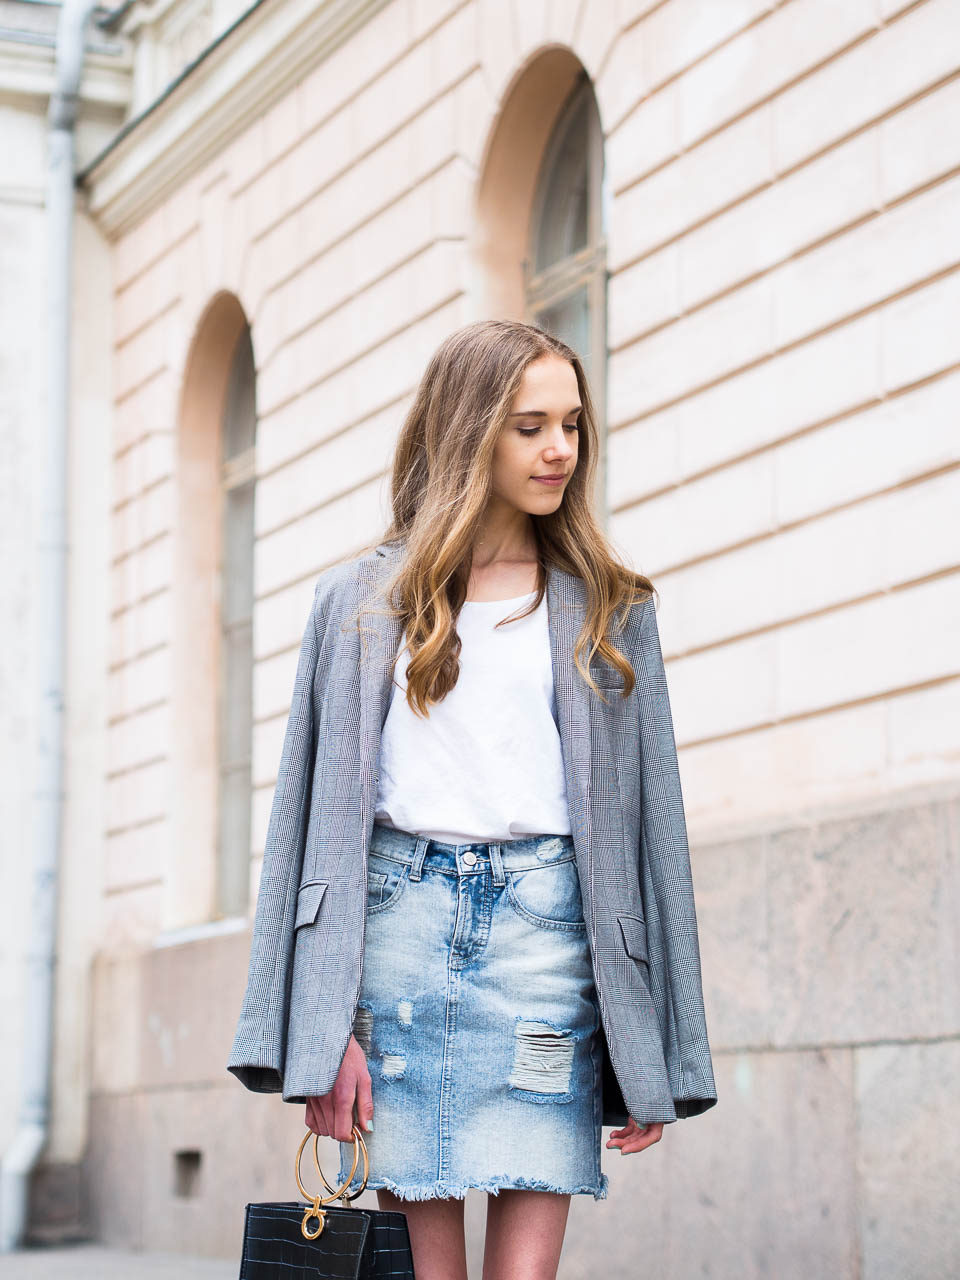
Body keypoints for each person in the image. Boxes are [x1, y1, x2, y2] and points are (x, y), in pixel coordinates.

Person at [228, 319, 717, 1280]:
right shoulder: (360, 602)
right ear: (468, 431)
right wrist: (326, 1032)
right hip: (396, 942)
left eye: (572, 423)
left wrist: (663, 1044)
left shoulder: (611, 606)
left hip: (548, 945)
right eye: (530, 426)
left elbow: (655, 829)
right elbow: (308, 832)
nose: (560, 450)